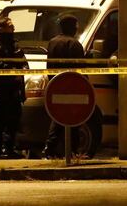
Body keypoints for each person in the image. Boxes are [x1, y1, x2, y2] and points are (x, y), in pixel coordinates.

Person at [43, 15, 86, 159]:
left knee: (58, 117)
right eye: (76, 26)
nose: (77, 28)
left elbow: (49, 65)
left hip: (56, 84)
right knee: (74, 119)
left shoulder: (52, 42)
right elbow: (80, 68)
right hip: (72, 86)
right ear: (72, 27)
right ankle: (72, 150)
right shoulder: (74, 44)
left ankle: (50, 148)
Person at [0, 17, 27, 159]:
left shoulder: (16, 45)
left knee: (13, 121)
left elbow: (24, 64)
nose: (13, 28)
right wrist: (13, 72)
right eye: (10, 26)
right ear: (2, 29)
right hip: (2, 89)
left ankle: (10, 149)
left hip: (15, 90)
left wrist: (21, 71)